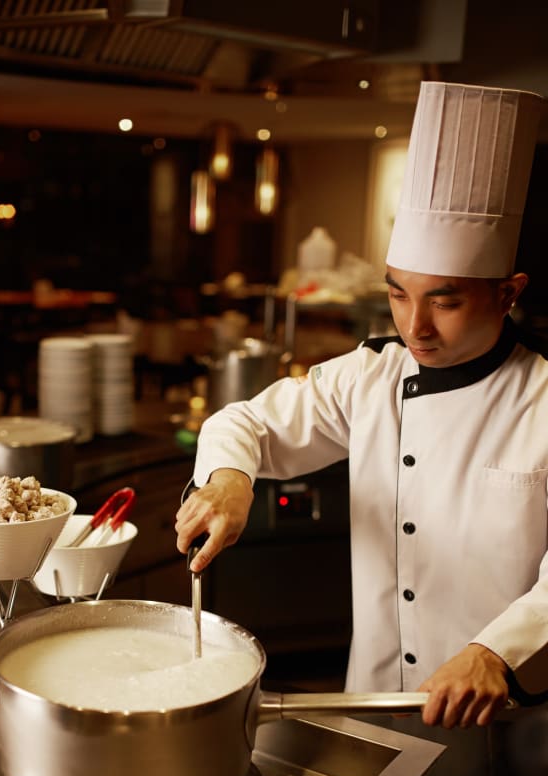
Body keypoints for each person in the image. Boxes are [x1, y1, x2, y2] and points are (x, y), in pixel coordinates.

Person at [176, 81, 548, 731]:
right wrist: (231, 479)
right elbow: (247, 421)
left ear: (507, 293)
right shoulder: (372, 376)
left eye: (445, 301)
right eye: (398, 294)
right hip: (373, 702)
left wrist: (495, 650)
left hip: (507, 717)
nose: (415, 326)